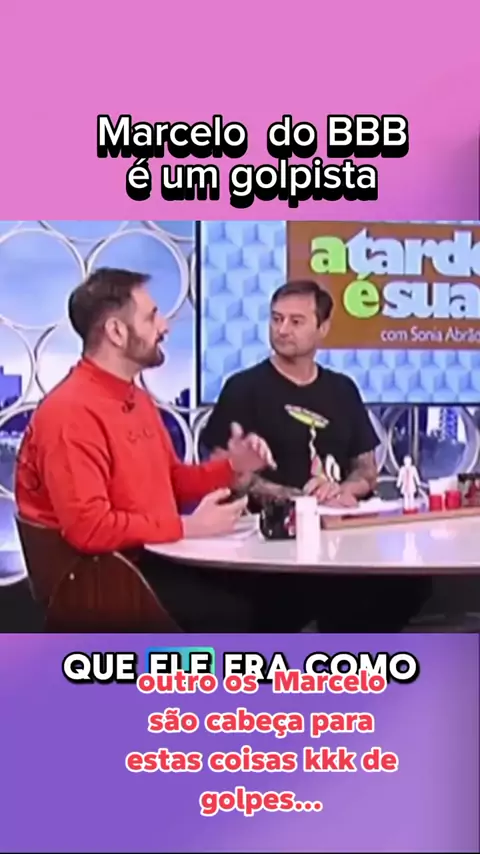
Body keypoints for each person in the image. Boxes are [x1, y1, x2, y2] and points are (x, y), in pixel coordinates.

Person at [14, 268, 290, 632]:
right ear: (116, 332)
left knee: (280, 594)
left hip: (147, 559)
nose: (165, 326)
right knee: (245, 611)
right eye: (151, 316)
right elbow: (89, 529)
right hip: (103, 581)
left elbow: (170, 481)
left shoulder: (137, 399)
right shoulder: (70, 413)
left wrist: (232, 467)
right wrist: (188, 527)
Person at [202, 279, 432, 631]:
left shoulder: (343, 389)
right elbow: (222, 470)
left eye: (296, 321)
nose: (282, 330)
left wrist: (342, 491)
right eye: (276, 319)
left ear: (323, 328)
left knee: (410, 586)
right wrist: (299, 500)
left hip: (339, 541)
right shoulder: (243, 388)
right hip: (270, 546)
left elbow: (366, 471)